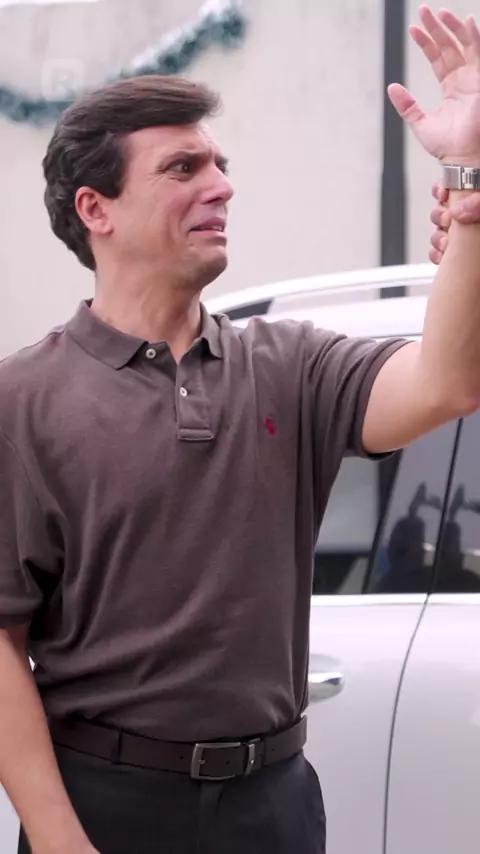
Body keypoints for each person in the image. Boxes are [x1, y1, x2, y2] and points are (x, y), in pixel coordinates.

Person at [1, 4, 480, 853]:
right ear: (96, 208)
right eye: (183, 167)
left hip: (274, 808)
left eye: (221, 165)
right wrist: (56, 835)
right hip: (106, 806)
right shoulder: (23, 399)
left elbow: (448, 382)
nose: (221, 186)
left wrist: (468, 177)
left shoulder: (291, 364)